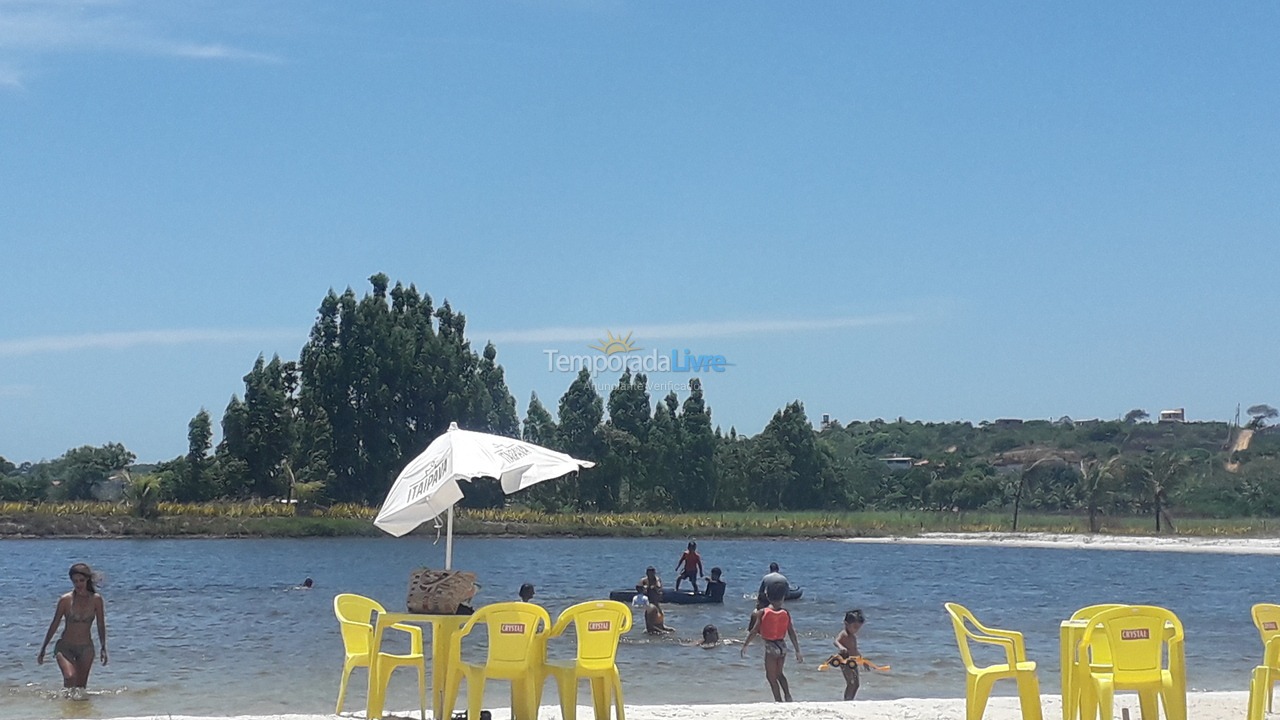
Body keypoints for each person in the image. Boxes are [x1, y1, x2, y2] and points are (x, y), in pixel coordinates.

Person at [37, 563, 108, 697]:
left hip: (86, 647)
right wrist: (43, 648)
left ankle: (77, 714)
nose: (78, 584)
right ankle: (65, 711)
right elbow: (54, 624)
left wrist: (103, 647)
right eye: (75, 581)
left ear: (87, 579)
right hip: (65, 647)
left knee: (80, 689)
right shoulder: (65, 600)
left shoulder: (96, 600)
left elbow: (100, 624)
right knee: (70, 677)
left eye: (81, 580)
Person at [741, 581, 802, 702]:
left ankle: (778, 700)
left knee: (771, 677)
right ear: (783, 597)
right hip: (782, 646)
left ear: (768, 596)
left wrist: (745, 645)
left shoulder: (762, 612)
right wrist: (797, 650)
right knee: (780, 674)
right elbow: (791, 632)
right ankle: (788, 696)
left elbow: (754, 630)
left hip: (770, 646)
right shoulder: (785, 613)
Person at [834, 609, 866, 700]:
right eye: (855, 627)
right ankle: (846, 700)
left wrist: (863, 661)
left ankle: (851, 699)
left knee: (856, 684)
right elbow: (836, 641)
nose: (856, 630)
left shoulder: (853, 637)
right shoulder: (844, 634)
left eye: (858, 628)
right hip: (844, 660)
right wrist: (841, 647)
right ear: (846, 624)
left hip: (853, 661)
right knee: (850, 682)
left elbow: (855, 650)